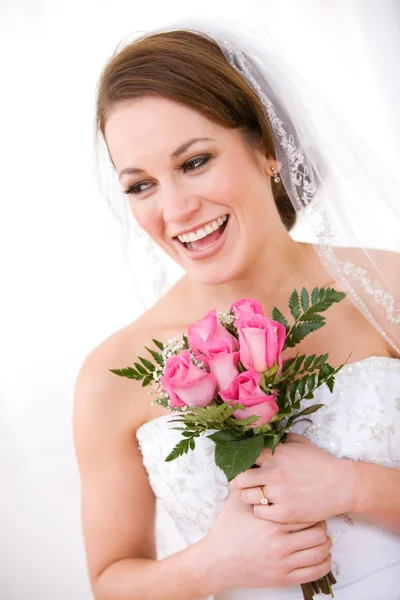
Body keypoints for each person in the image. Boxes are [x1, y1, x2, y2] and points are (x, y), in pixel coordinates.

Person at [73, 19, 400, 600]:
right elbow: (110, 582)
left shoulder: (388, 286)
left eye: (195, 161)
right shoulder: (111, 375)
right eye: (140, 185)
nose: (174, 209)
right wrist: (211, 568)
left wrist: (355, 487)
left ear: (268, 149)